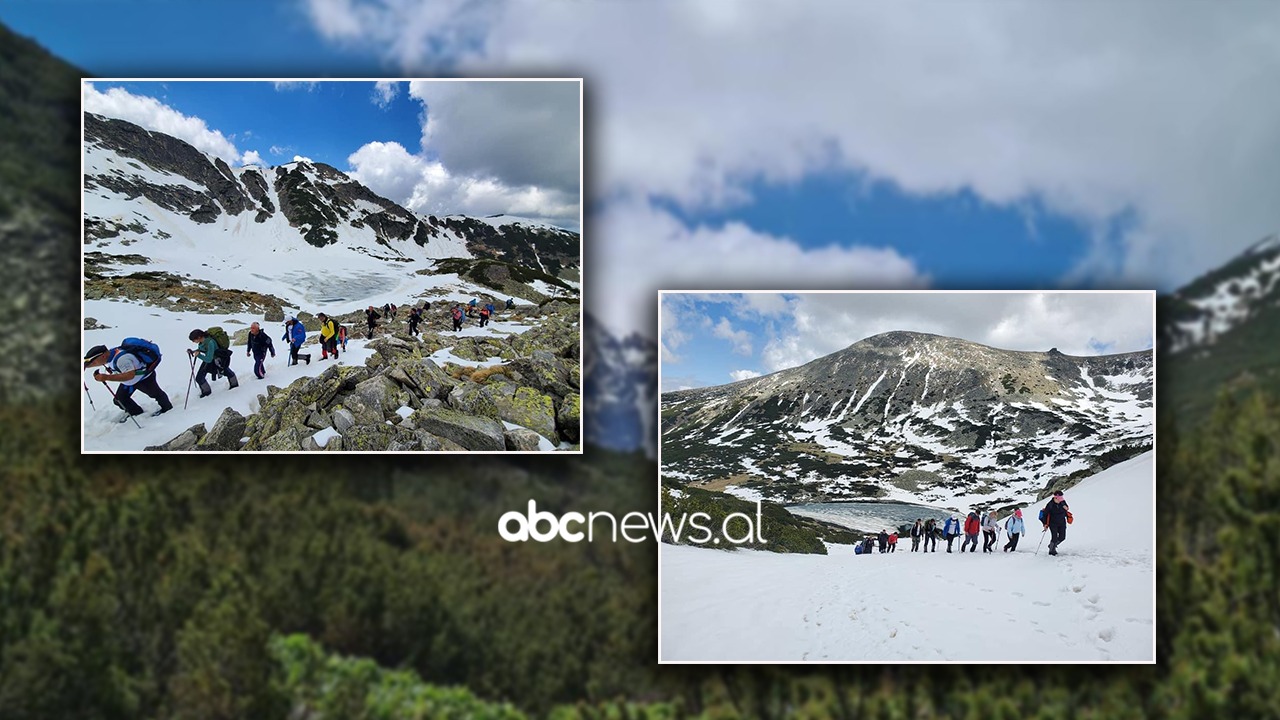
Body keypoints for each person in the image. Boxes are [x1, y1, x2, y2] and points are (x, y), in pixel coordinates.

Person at [83, 341, 173, 421]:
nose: (93, 365)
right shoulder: (111, 354)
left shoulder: (122, 359)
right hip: (130, 382)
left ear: (103, 356)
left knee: (156, 394)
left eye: (94, 363)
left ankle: (167, 409)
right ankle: (136, 412)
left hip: (143, 379)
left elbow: (129, 375)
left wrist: (105, 377)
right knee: (120, 400)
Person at [188, 329, 237, 397]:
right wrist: (194, 351)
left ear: (199, 337)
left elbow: (209, 359)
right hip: (212, 360)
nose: (193, 342)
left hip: (217, 360)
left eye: (193, 340)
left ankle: (234, 385)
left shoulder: (210, 342)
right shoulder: (203, 342)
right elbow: (203, 349)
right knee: (200, 378)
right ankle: (206, 392)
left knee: (225, 371)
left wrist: (198, 355)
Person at [1042, 490, 1072, 556]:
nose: (1060, 500)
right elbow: (1045, 515)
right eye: (1059, 499)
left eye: (1061, 498)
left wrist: (1066, 508)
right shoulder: (1050, 504)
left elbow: (1066, 508)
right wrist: (1045, 524)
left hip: (1062, 522)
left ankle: (1051, 545)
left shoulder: (1062, 502)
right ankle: (1051, 551)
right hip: (1053, 523)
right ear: (1055, 498)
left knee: (1062, 537)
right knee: (1054, 537)